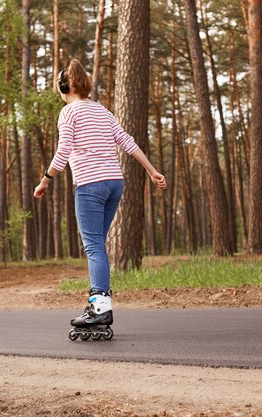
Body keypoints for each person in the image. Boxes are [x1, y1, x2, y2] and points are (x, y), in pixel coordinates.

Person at [34, 59, 166, 333]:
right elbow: (128, 142)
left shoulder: (68, 113)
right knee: (98, 246)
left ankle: (99, 309)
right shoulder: (102, 111)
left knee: (94, 247)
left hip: (91, 186)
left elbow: (63, 152)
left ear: (65, 86)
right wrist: (152, 171)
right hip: (115, 184)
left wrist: (46, 179)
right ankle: (100, 306)